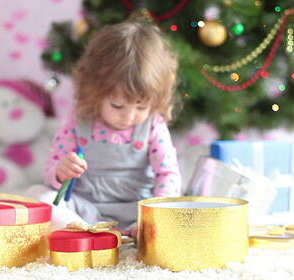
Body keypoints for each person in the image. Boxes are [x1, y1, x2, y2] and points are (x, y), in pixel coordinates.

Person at [27, 21, 182, 234]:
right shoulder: (79, 119)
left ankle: (131, 234)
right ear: (95, 92)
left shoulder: (153, 125)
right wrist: (61, 171)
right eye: (117, 105)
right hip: (85, 211)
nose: (128, 116)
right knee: (37, 196)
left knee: (174, 213)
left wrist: (155, 215)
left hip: (137, 212)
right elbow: (51, 172)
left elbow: (168, 175)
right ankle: (89, 234)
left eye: (141, 107)